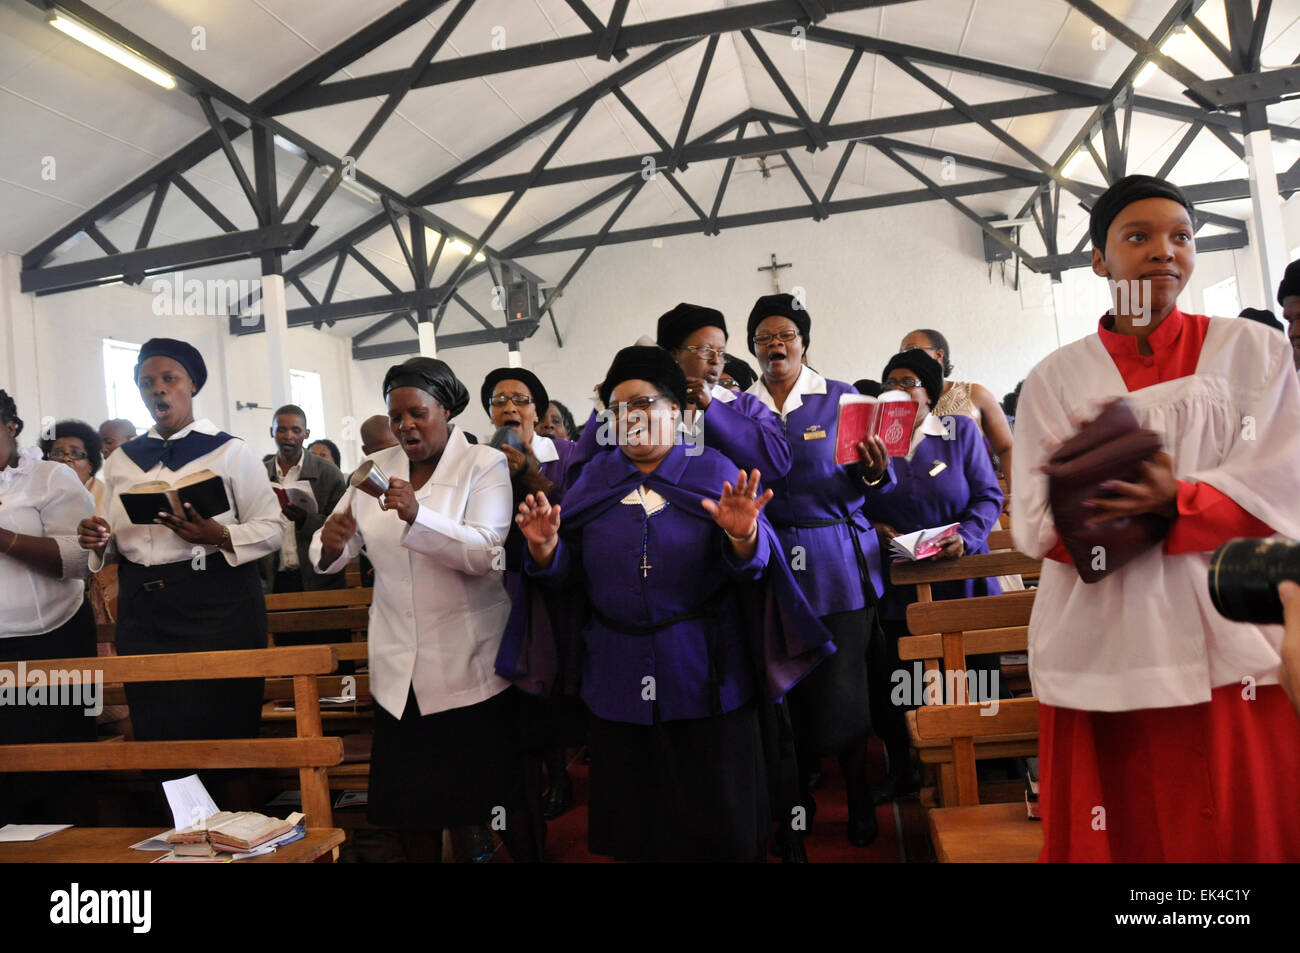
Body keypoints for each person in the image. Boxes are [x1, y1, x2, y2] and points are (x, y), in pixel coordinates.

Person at [1013, 174, 1300, 862]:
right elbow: (1033, 519)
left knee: (1241, 829)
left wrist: (1180, 499)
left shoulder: (1253, 351)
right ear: (1098, 259)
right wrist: (1105, 512)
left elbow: (1285, 483)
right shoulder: (1055, 377)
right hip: (1106, 630)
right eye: (1137, 237)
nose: (1163, 251)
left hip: (1230, 629)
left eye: (1180, 236)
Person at [503, 345, 832, 862]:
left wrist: (744, 537)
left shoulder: (716, 471)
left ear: (676, 410)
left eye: (641, 404)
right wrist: (546, 551)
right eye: (615, 409)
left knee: (717, 826)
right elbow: (570, 584)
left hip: (706, 677)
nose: (627, 419)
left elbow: (754, 571)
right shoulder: (593, 481)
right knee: (640, 828)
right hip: (616, 679)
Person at [310, 357, 537, 862]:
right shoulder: (374, 471)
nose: (405, 425)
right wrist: (329, 543)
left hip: (470, 666)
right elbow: (330, 555)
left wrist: (419, 514)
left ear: (446, 409)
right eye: (396, 417)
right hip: (399, 669)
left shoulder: (483, 464)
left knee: (499, 799)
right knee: (412, 811)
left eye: (417, 413)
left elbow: (485, 553)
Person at [76, 338, 281, 805]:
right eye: (147, 383)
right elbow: (118, 539)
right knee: (162, 737)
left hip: (218, 601)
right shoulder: (124, 460)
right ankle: (180, 842)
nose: (159, 391)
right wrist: (97, 541)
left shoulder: (230, 452)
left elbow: (271, 529)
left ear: (192, 385)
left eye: (170, 379)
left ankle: (240, 838)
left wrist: (218, 535)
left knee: (225, 735)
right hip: (147, 609)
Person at [745, 292, 893, 848]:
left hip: (835, 560)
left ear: (804, 343)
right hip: (770, 561)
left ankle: (857, 793)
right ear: (754, 347)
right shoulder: (740, 408)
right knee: (786, 695)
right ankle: (797, 806)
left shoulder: (843, 399)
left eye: (785, 335)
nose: (775, 344)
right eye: (764, 337)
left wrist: (875, 474)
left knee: (844, 689)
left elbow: (873, 483)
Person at [861, 350, 1004, 801]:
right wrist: (872, 528)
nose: (897, 390)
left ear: (929, 393)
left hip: (960, 578)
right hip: (899, 584)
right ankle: (905, 769)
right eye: (890, 383)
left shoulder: (958, 431)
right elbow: (849, 503)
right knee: (900, 685)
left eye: (908, 382)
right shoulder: (869, 442)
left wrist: (968, 534)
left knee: (974, 681)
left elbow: (987, 495)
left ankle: (992, 768)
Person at [481, 367, 581, 825]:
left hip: (553, 582)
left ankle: (562, 772)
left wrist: (531, 473)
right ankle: (527, 783)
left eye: (520, 399)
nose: (509, 407)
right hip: (497, 584)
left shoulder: (565, 454)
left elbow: (575, 511)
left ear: (536, 411)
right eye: (499, 399)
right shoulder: (477, 459)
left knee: (552, 682)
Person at [0, 390, 98, 824]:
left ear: (10, 427)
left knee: (60, 770)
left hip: (55, 640)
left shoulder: (51, 477)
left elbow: (77, 560)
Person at [656, 302, 791, 478]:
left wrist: (713, 409)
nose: (715, 361)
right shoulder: (646, 406)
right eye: (705, 350)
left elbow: (777, 462)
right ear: (673, 355)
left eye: (721, 353)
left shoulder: (745, 405)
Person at [899, 328, 1014, 506]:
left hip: (977, 508)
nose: (905, 358)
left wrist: (1015, 495)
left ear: (938, 355)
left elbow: (1007, 447)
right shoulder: (899, 405)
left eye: (911, 350)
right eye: (901, 353)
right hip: (920, 510)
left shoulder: (974, 394)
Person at [260, 405, 347, 597]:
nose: (288, 435)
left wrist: (305, 520)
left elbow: (343, 528)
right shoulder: (258, 474)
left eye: (296, 430)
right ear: (271, 432)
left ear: (306, 433)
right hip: (274, 578)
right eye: (281, 429)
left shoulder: (329, 474)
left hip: (319, 579)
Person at [41, 420, 105, 515]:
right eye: (58, 453)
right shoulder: (38, 493)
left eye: (75, 453)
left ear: (91, 464)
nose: (66, 459)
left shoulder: (108, 497)